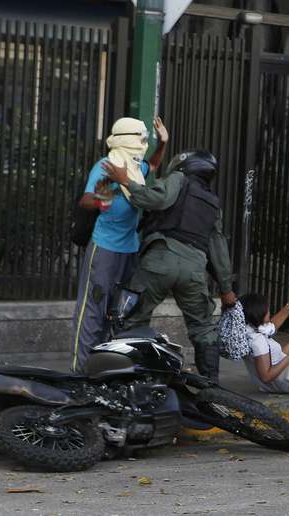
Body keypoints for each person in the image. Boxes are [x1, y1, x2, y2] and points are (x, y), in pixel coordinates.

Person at [102, 149, 236, 383]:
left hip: (161, 260)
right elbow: (218, 248)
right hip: (194, 270)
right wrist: (226, 289)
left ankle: (129, 380)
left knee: (131, 317)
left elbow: (157, 199)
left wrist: (126, 181)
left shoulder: (178, 179)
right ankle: (211, 388)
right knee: (203, 328)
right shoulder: (213, 204)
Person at [71, 116, 168, 372]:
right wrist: (104, 200)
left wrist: (163, 143)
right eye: (142, 138)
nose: (144, 142)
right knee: (92, 312)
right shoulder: (109, 165)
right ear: (129, 139)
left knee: (116, 313)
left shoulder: (134, 167)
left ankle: (103, 369)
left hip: (129, 250)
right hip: (105, 248)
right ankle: (81, 373)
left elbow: (153, 166)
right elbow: (86, 200)